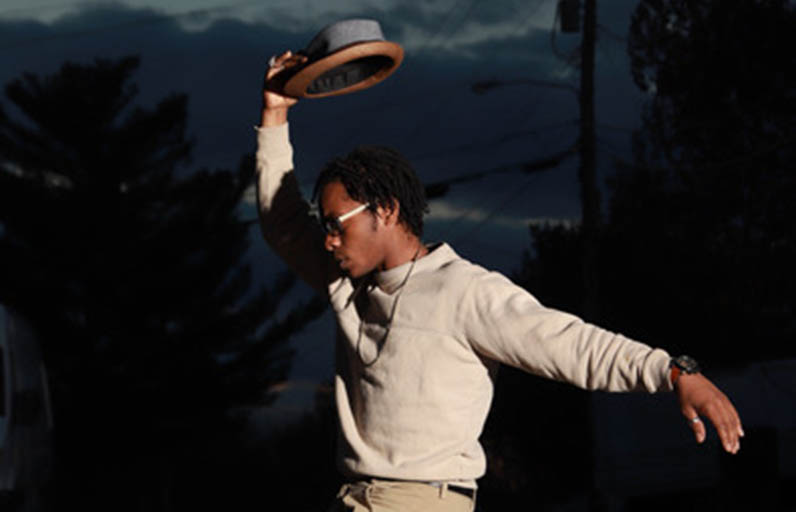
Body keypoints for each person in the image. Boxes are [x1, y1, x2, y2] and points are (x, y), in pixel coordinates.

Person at [255, 51, 744, 512]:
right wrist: (275, 113)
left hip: (421, 501)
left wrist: (674, 371)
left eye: (338, 224)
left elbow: (570, 344)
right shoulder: (349, 285)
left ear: (385, 210)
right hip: (355, 497)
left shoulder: (463, 292)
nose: (329, 240)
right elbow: (283, 223)